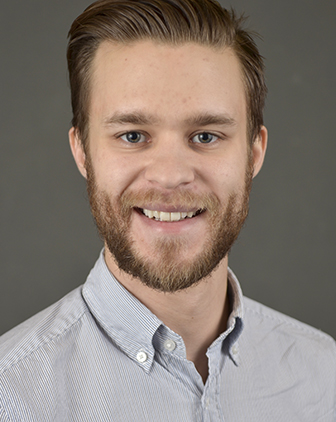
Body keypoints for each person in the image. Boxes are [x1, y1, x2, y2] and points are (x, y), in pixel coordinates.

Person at [0, 0, 335, 420]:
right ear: (82, 152)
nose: (171, 175)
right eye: (133, 135)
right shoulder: (9, 397)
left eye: (207, 136)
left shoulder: (326, 378)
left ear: (254, 153)